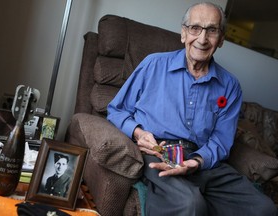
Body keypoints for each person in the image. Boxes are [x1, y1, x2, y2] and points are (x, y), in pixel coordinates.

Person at [107, 2, 277, 216]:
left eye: (212, 30)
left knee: (265, 209)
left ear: (221, 39)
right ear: (183, 34)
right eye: (195, 28)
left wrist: (196, 162)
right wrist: (139, 133)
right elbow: (117, 109)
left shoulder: (230, 86)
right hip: (160, 154)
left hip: (203, 161)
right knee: (190, 204)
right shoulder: (153, 65)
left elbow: (221, 141)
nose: (203, 39)